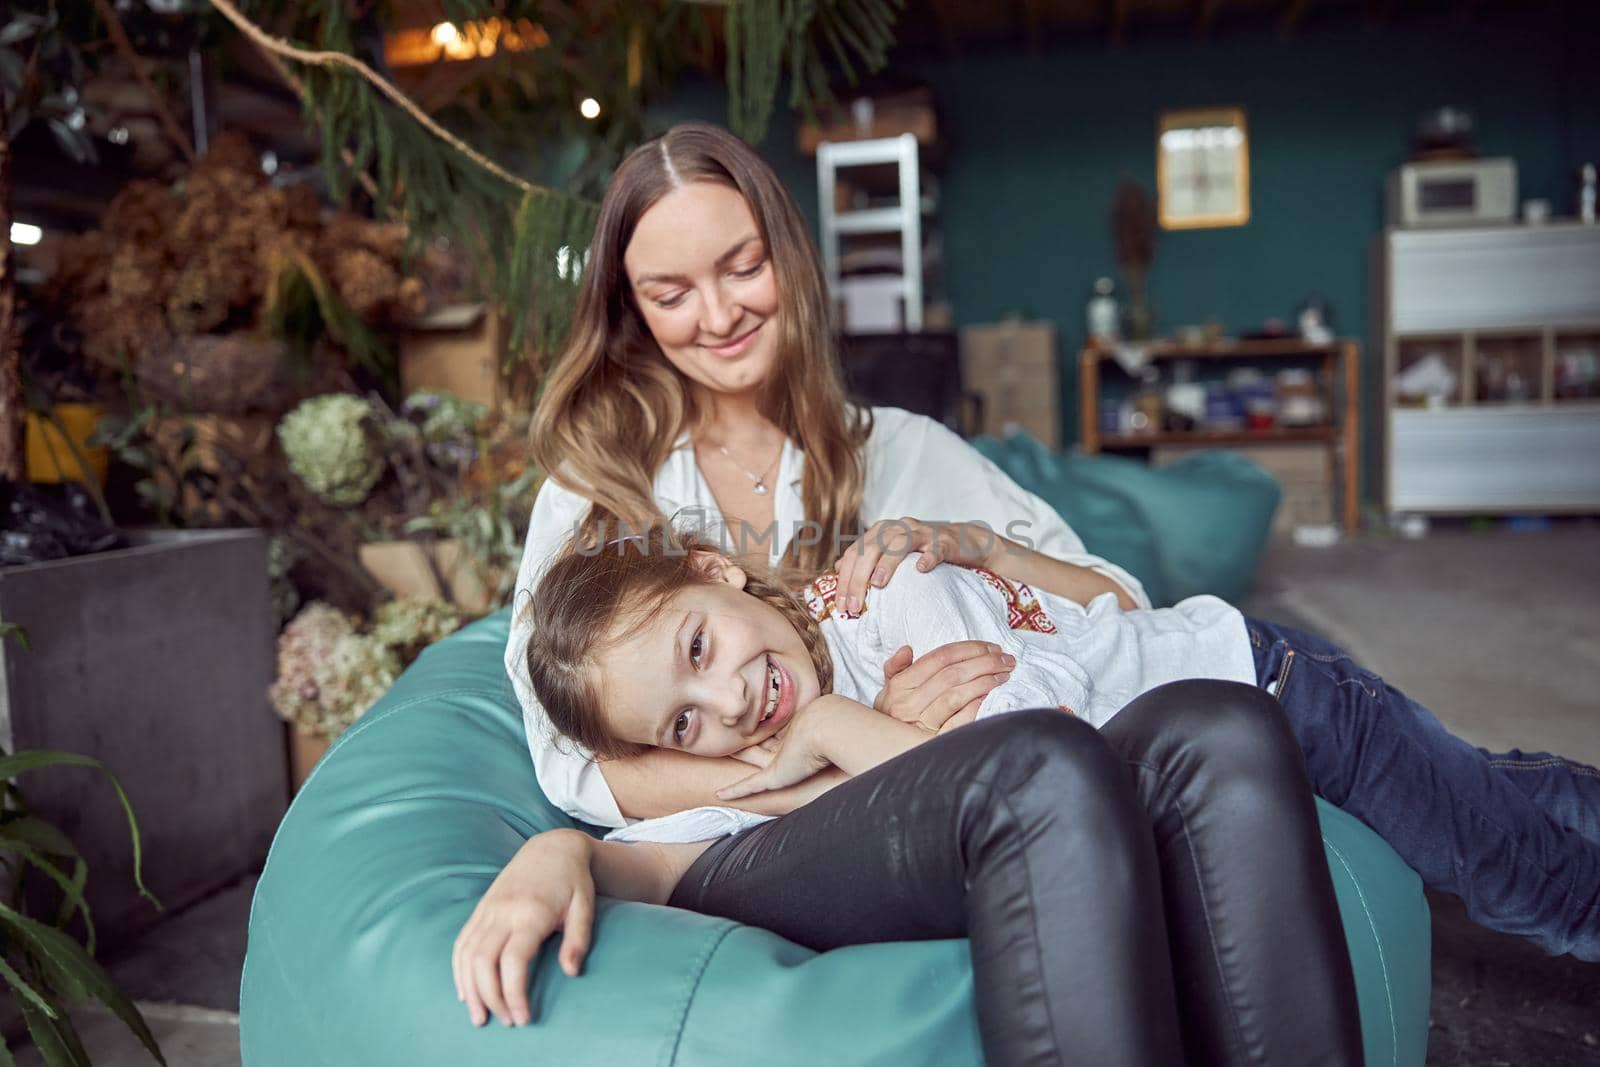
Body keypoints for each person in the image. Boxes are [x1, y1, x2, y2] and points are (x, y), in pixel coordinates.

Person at [506, 120, 1600, 958]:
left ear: (789, 258)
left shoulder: (900, 450)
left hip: (1174, 689)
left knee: (1476, 799)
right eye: (669, 291)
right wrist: (826, 751)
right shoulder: (598, 485)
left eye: (740, 265)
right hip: (940, 795)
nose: (716, 313)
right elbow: (571, 755)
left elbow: (1115, 604)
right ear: (631, 309)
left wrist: (979, 545)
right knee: (1477, 788)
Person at [458, 529, 1365, 1066]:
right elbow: (658, 862)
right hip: (898, 823)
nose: (726, 703)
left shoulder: (862, 630)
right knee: (1037, 766)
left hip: (963, 757)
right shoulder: (745, 781)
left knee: (1224, 725)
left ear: (716, 569)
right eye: (683, 726)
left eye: (699, 650)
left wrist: (837, 723)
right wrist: (558, 851)